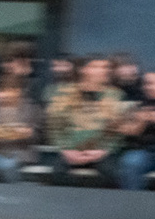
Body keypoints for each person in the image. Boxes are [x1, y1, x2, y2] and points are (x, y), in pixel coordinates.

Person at [43, 55, 127, 185]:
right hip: (71, 151)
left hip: (101, 152)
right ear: (84, 70)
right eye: (97, 67)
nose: (104, 71)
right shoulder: (64, 94)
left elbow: (118, 131)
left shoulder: (115, 95)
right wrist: (66, 149)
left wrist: (103, 150)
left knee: (111, 173)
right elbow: (55, 127)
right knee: (58, 173)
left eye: (106, 67)